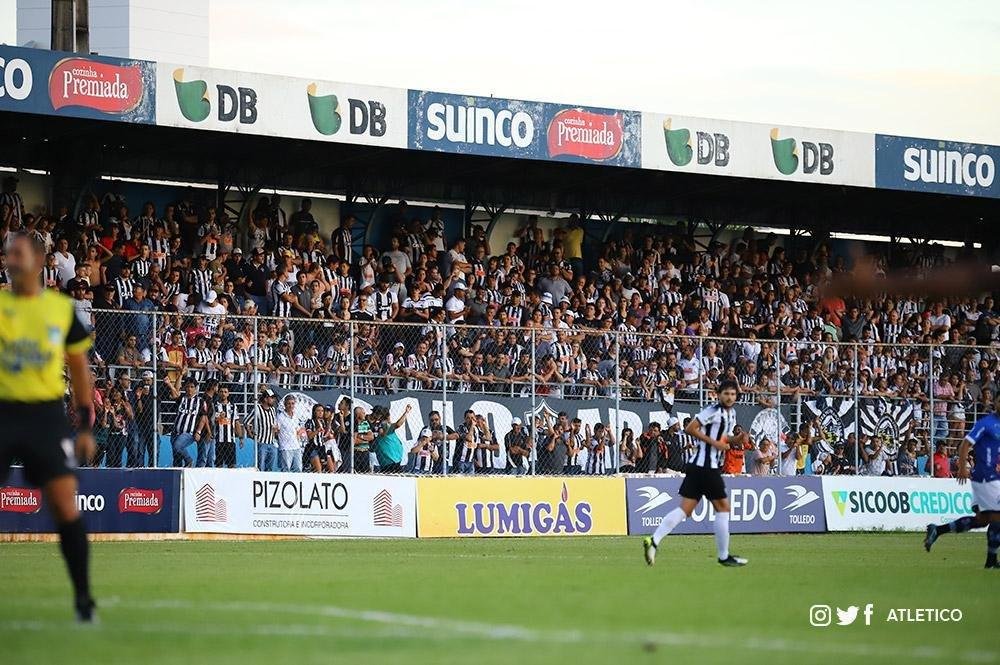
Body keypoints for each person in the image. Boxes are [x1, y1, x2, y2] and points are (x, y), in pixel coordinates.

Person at [0, 233, 97, 621]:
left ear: (39, 260)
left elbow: (79, 370)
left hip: (46, 416)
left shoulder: (60, 309)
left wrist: (86, 424)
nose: (10, 258)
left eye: (18, 253)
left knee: (63, 506)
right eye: (8, 253)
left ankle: (84, 602)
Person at [643, 380, 748, 567]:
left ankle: (654, 540)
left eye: (733, 394)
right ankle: (723, 556)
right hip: (706, 466)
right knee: (723, 509)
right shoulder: (713, 410)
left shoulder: (730, 414)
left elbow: (721, 437)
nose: (730, 397)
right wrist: (715, 444)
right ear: (719, 394)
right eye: (726, 393)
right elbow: (691, 428)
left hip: (698, 467)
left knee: (685, 510)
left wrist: (735, 438)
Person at [924, 394, 1000, 569]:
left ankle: (938, 529)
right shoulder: (985, 423)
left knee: (982, 520)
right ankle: (991, 561)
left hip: (994, 477)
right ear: (995, 403)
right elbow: (965, 444)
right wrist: (962, 467)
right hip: (985, 476)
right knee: (997, 518)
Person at [275, 394, 304, 472]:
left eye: (292, 403)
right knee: (286, 470)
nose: (291, 405)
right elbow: (276, 431)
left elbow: (298, 429)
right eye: (289, 403)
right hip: (285, 447)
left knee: (298, 469)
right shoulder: (280, 417)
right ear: (285, 405)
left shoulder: (295, 416)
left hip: (296, 447)